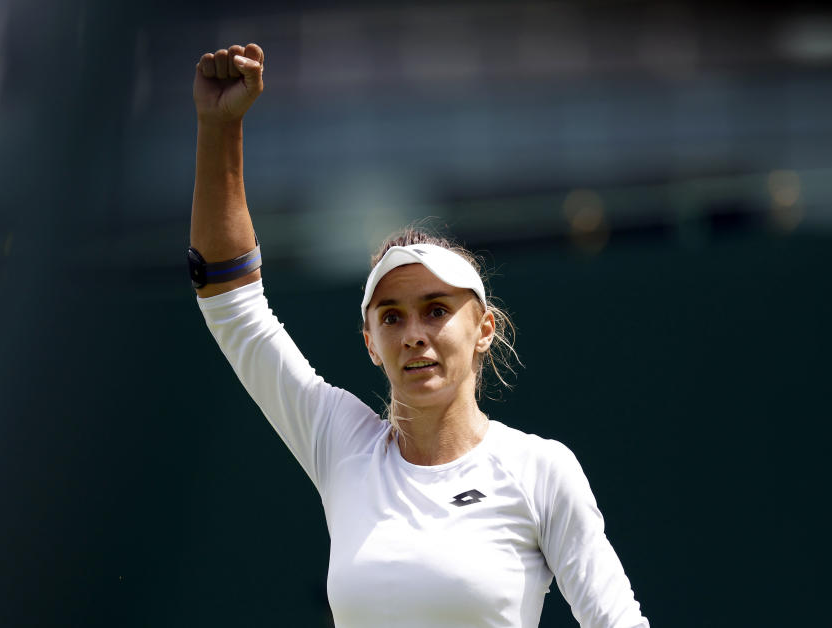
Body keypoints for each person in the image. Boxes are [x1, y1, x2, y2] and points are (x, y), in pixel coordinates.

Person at [190, 42, 650, 628]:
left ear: (484, 329)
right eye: (391, 317)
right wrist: (220, 127)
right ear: (370, 342)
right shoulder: (342, 445)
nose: (413, 334)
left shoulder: (539, 470)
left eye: (435, 310)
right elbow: (232, 304)